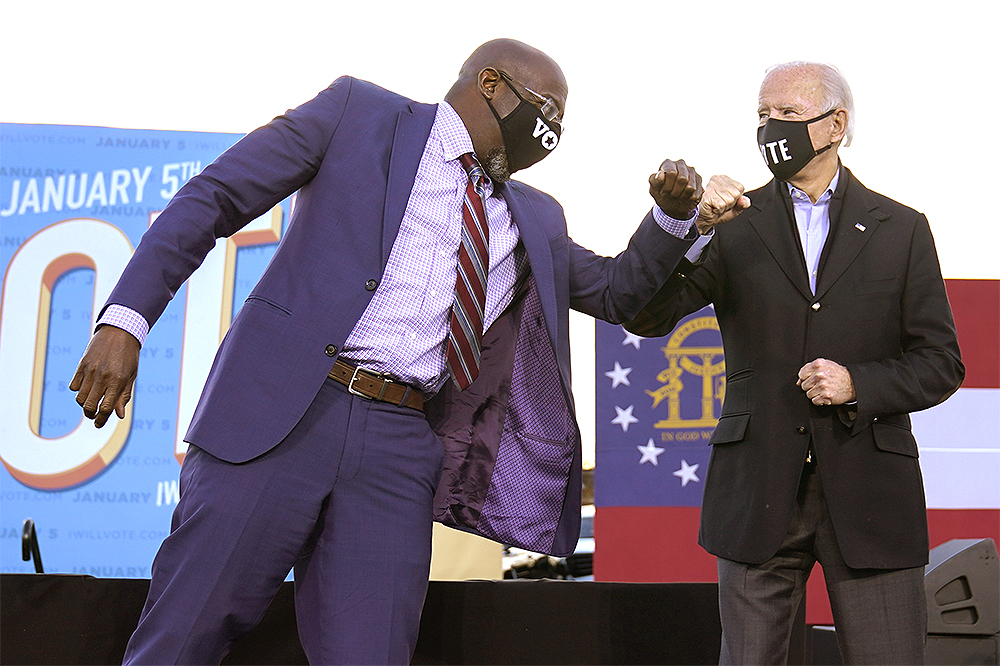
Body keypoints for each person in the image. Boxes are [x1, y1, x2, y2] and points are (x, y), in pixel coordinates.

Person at [70, 38, 713, 665]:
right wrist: (125, 323)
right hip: (282, 413)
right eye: (547, 110)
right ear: (491, 84)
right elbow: (215, 197)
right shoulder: (358, 113)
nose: (552, 132)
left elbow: (620, 294)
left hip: (400, 445)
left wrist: (671, 221)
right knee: (184, 636)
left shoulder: (535, 216)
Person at [626, 61, 964, 665]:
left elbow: (941, 362)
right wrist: (694, 226)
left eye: (786, 113)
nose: (770, 127)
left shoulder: (902, 229)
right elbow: (645, 315)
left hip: (869, 495)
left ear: (835, 124)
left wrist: (858, 383)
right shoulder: (731, 224)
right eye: (762, 115)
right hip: (757, 493)